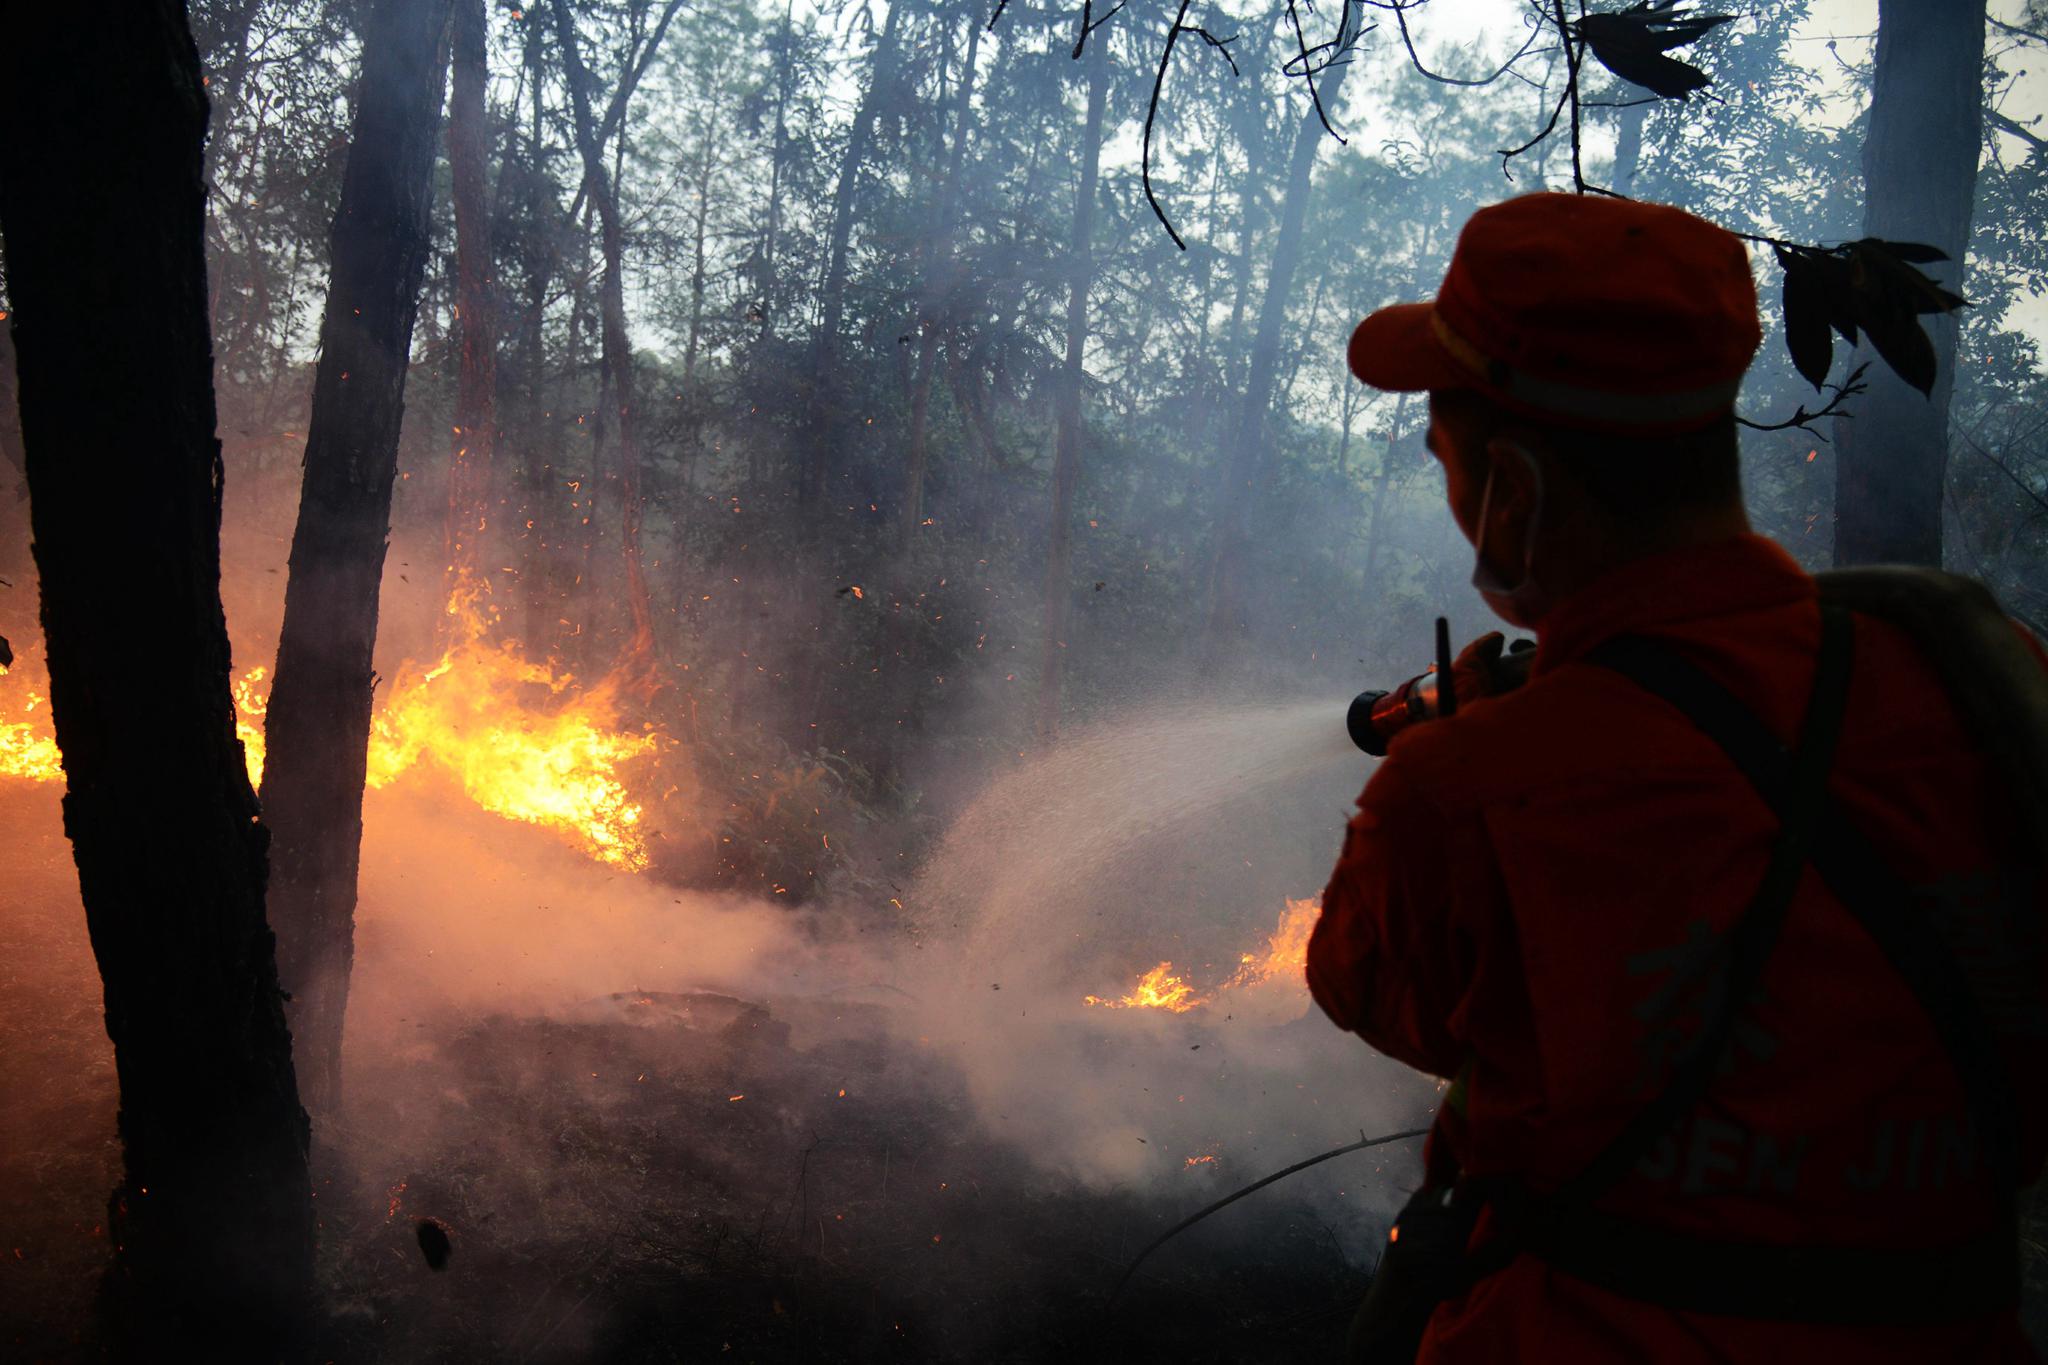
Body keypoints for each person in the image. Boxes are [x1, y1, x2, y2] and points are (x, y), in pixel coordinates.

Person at [1310, 191, 2048, 1363]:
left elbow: (1371, 992)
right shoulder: (1980, 674)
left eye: (1446, 459)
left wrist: (1476, 757)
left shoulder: (1467, 787)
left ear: (1513, 490)